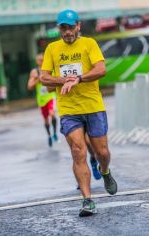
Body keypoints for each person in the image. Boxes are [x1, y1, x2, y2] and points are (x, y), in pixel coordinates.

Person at [40, 9, 117, 217]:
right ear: (59, 29)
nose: (67, 32)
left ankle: (105, 170)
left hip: (93, 107)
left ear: (78, 26)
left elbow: (101, 70)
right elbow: (44, 78)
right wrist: (64, 80)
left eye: (71, 27)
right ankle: (87, 200)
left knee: (102, 153)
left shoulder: (89, 44)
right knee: (78, 151)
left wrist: (79, 79)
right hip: (69, 110)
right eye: (63, 28)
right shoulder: (52, 49)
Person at [28, 53, 58, 147]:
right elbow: (29, 86)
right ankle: (49, 135)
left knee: (52, 113)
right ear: (37, 61)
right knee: (46, 120)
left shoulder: (49, 69)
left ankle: (55, 133)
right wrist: (38, 79)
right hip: (41, 99)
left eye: (43, 60)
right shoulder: (34, 72)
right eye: (39, 60)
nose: (41, 62)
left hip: (50, 96)